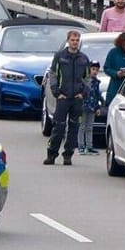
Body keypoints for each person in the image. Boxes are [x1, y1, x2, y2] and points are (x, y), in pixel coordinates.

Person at [44, 29, 91, 165]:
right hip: (63, 97)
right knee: (58, 126)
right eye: (72, 40)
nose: (75, 42)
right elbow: (53, 74)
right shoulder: (60, 56)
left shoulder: (83, 58)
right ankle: (51, 154)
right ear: (68, 41)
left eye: (77, 40)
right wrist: (57, 92)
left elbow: (88, 78)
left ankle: (68, 154)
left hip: (77, 98)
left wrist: (83, 93)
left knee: (74, 127)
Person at [78, 62, 104, 155]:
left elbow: (97, 95)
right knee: (82, 127)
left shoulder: (96, 82)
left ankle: (89, 146)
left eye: (97, 70)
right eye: (93, 69)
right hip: (84, 106)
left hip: (92, 107)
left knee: (89, 127)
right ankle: (81, 146)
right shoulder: (84, 81)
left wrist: (98, 107)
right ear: (89, 70)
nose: (95, 72)